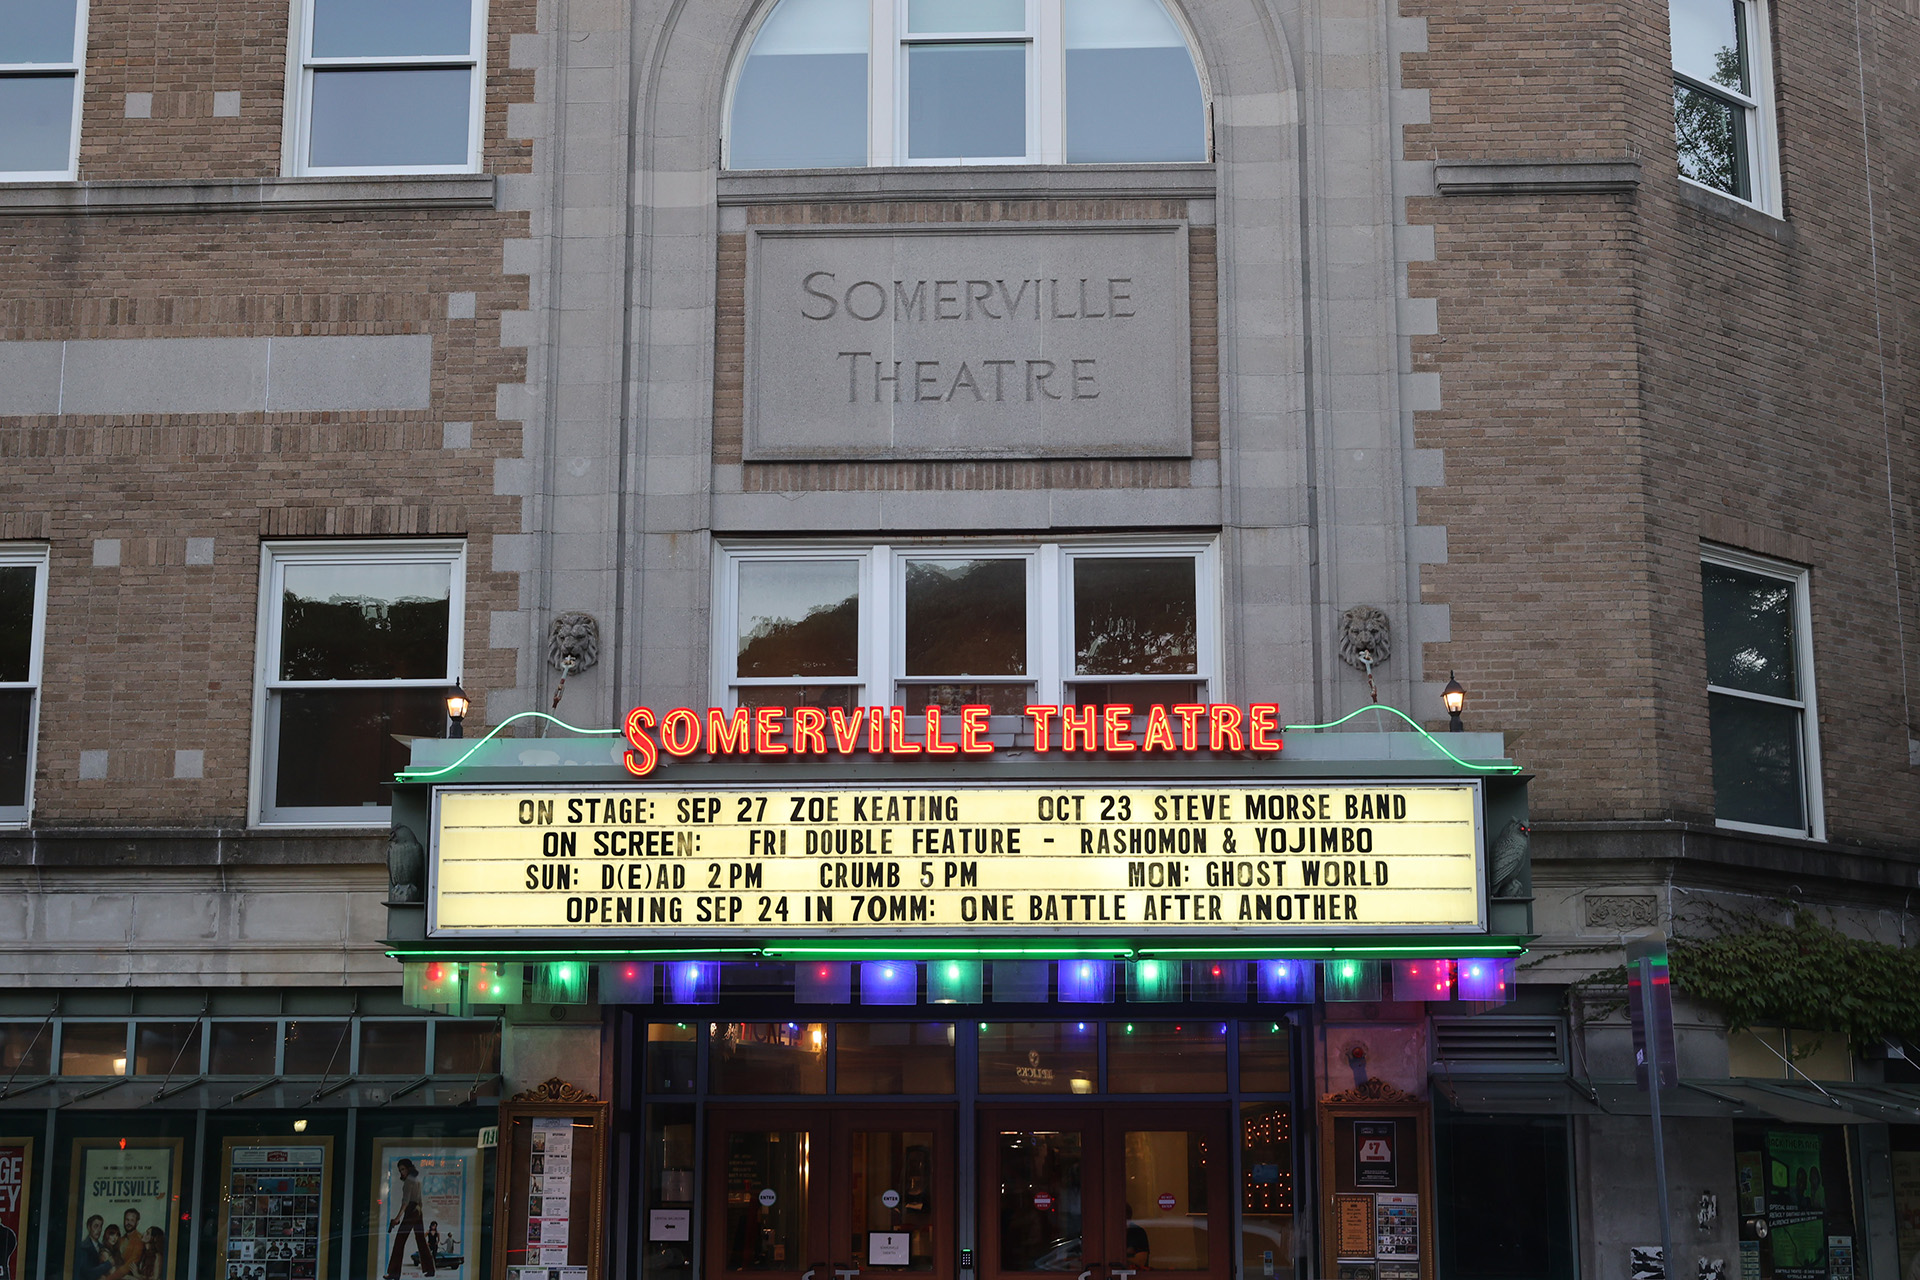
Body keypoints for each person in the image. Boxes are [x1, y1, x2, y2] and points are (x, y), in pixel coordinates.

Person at [383, 1159, 435, 1280]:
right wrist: (418, 1211)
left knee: (399, 1241)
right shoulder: (416, 1181)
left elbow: (405, 1202)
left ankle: (394, 1273)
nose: (402, 1172)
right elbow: (420, 1201)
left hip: (411, 1210)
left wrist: (397, 1218)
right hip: (418, 1210)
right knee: (421, 1239)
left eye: (403, 1169)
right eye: (400, 1170)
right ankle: (430, 1269)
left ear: (409, 1168)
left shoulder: (408, 1182)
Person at [74, 1215, 110, 1280]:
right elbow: (87, 1273)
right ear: (89, 1227)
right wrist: (108, 1264)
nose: (99, 1230)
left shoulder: (102, 1247)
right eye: (96, 1226)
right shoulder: (83, 1247)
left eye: (100, 1226)